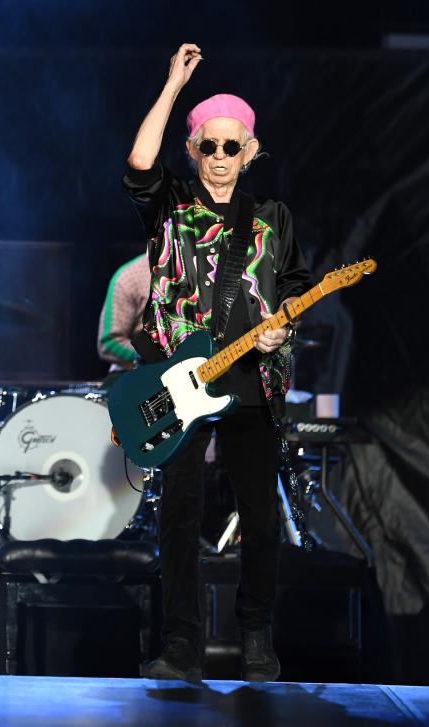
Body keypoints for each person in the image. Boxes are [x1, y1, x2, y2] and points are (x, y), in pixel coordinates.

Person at [122, 43, 313, 682]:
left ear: (252, 150)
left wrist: (279, 331)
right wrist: (173, 85)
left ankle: (256, 635)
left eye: (234, 147)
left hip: (251, 384)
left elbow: (293, 290)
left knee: (260, 516)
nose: (222, 157)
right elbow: (139, 162)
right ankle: (180, 645)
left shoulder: (273, 217)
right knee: (177, 516)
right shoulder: (171, 201)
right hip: (181, 380)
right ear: (194, 149)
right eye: (210, 146)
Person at [96, 253, 150, 390]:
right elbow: (109, 342)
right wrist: (151, 356)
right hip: (138, 378)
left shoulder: (206, 270)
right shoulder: (130, 277)